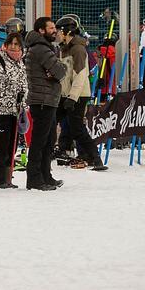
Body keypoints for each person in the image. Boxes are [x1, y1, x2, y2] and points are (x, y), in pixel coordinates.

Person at [53, 16, 107, 171]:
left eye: (59, 30)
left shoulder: (77, 49)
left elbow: (80, 75)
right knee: (58, 122)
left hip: (78, 95)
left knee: (76, 128)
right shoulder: (64, 48)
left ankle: (95, 157)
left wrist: (72, 97)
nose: (57, 33)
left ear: (66, 31)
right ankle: (63, 150)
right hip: (66, 94)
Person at [24, 17, 66, 191]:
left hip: (47, 99)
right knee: (40, 141)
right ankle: (34, 178)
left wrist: (55, 70)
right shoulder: (41, 49)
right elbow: (60, 71)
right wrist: (56, 70)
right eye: (51, 28)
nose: (54, 30)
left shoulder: (43, 48)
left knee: (49, 140)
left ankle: (45, 175)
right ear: (41, 30)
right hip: (43, 100)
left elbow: (56, 71)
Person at [0, 32, 28, 189]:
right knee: (1, 146)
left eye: (17, 44)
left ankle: (8, 177)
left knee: (12, 145)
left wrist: (22, 100)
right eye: (11, 43)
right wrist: (13, 96)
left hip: (15, 111)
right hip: (1, 111)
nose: (13, 47)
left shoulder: (20, 62)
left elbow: (24, 83)